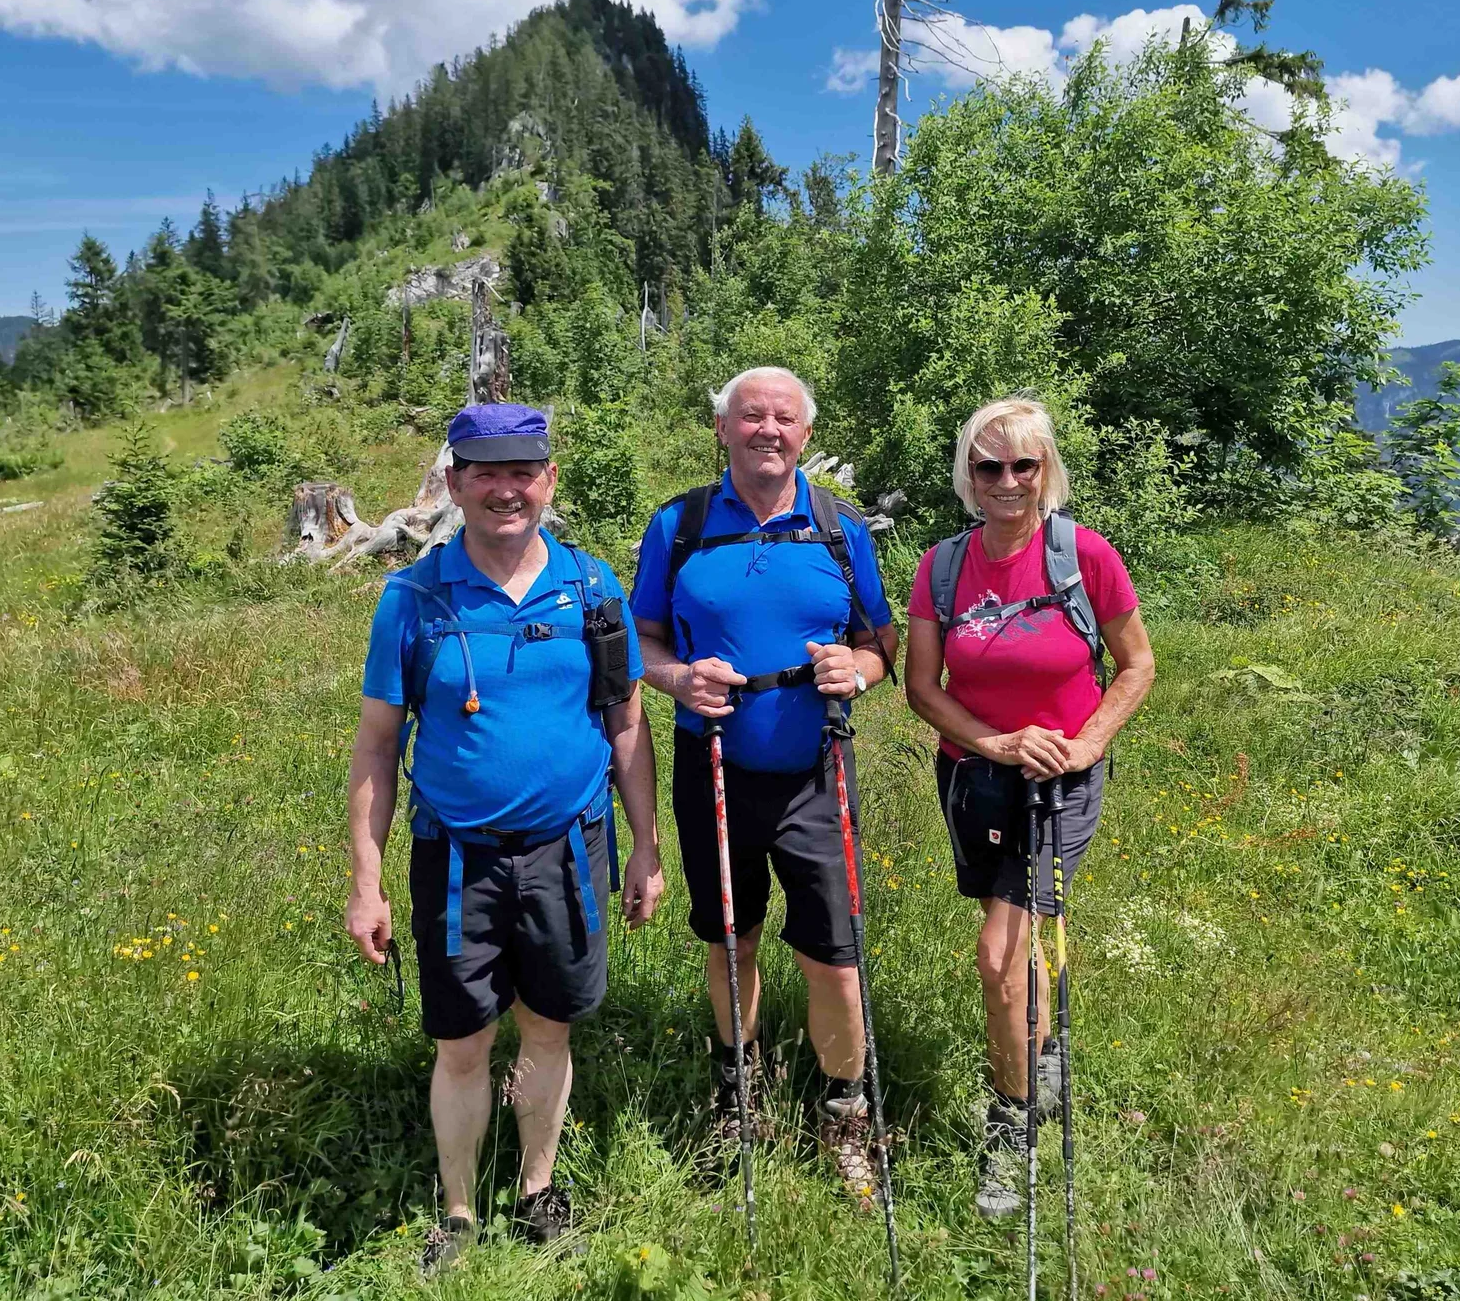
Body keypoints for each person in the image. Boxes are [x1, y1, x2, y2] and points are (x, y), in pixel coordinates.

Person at [344, 403, 665, 1269]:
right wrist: (366, 881)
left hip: (568, 849)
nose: (504, 488)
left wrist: (646, 846)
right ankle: (456, 1213)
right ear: (453, 484)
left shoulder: (592, 588)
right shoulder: (414, 597)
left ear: (548, 481)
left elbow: (628, 725)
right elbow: (378, 744)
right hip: (456, 857)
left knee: (551, 1026)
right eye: (483, 471)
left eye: (522, 471)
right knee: (463, 1040)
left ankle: (537, 1188)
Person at [631, 366, 900, 1204]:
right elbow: (641, 640)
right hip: (709, 761)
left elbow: (882, 644)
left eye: (785, 418)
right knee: (731, 940)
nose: (768, 430)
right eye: (752, 417)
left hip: (816, 768)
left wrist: (852, 670)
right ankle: (737, 1100)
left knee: (834, 954)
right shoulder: (677, 525)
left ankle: (845, 1115)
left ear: (805, 435)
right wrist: (676, 679)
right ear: (722, 429)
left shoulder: (838, 525)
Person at [903, 396, 1155, 1221]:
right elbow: (921, 690)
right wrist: (998, 744)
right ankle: (1042, 1051)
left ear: (1048, 470)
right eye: (988, 465)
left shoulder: (1084, 555)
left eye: (1024, 465)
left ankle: (1009, 1131)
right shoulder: (943, 566)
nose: (1006, 481)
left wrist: (1084, 746)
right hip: (974, 779)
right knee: (1009, 944)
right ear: (966, 475)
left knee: (997, 957)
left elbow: (1137, 667)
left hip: (1061, 780)